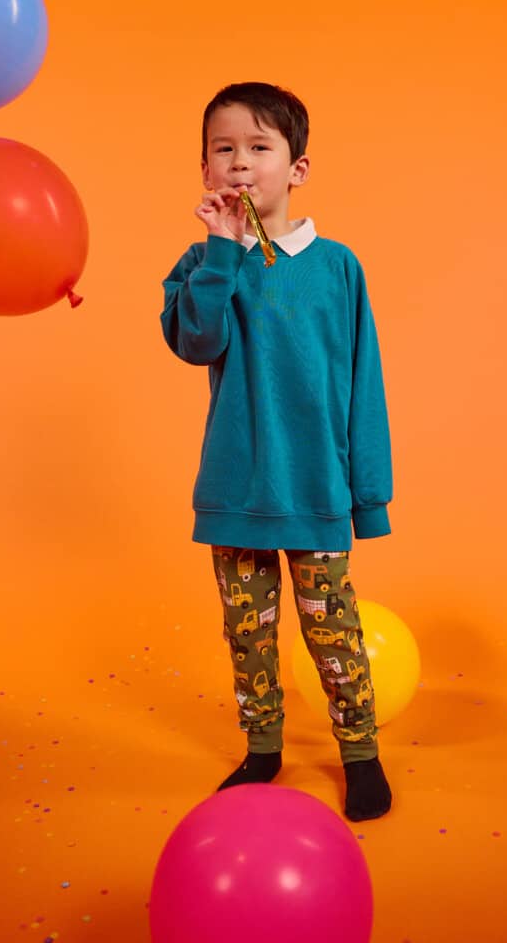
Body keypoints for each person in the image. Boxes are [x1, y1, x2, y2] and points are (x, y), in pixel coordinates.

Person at [160, 81, 394, 821]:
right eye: (222, 149)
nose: (238, 163)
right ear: (203, 170)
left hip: (316, 489)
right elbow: (198, 342)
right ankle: (262, 748)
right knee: (247, 636)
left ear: (295, 168)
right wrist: (220, 252)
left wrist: (368, 497)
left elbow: (363, 385)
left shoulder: (338, 268)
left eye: (258, 147)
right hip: (237, 491)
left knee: (335, 633)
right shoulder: (200, 265)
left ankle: (359, 752)